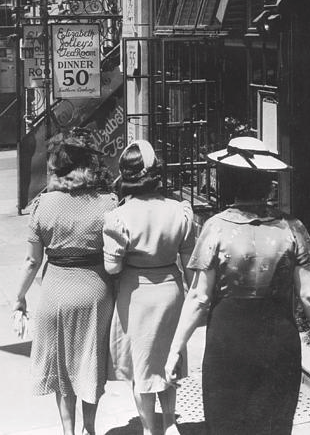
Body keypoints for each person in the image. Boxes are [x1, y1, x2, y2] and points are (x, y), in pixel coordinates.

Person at [164, 136, 310, 435]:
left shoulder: (215, 228)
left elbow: (199, 297)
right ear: (267, 184)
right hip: (279, 340)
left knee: (226, 423)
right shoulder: (292, 228)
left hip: (227, 341)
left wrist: (175, 349)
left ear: (229, 183)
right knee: (274, 424)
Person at [12, 130, 117, 435]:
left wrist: (19, 297)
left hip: (56, 293)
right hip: (96, 292)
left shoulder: (44, 205)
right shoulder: (109, 203)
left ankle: (68, 431)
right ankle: (91, 428)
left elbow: (32, 261)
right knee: (90, 362)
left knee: (62, 368)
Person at [103, 140, 196, 435]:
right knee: (168, 362)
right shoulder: (180, 211)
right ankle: (169, 422)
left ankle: (149, 428)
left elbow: (112, 267)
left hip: (137, 294)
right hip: (171, 290)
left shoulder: (119, 217)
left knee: (142, 367)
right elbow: (189, 262)